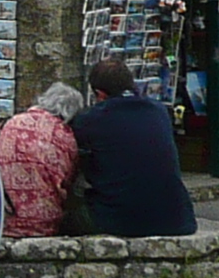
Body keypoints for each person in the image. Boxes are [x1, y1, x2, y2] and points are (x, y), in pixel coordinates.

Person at [71, 57, 197, 237]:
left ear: (100, 94)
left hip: (120, 221)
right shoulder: (159, 111)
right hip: (177, 220)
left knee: (69, 205)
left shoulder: (90, 120)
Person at [0, 82, 84, 238]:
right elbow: (69, 181)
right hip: (44, 225)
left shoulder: (9, 124)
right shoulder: (65, 137)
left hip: (4, 220)